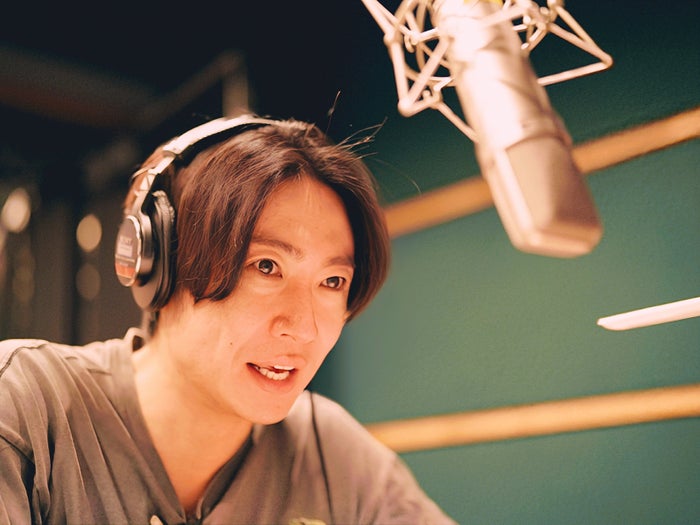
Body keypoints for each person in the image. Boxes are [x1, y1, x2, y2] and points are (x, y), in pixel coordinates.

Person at [0, 114, 457, 524]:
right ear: (159, 264)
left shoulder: (331, 454)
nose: (304, 328)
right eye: (266, 267)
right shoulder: (26, 406)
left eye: (332, 281)